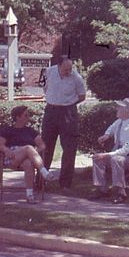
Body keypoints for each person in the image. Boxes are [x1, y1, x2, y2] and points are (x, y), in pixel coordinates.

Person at [41, 55, 86, 190]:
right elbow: (44, 88)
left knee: (69, 148)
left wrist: (68, 104)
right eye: (65, 69)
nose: (68, 72)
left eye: (70, 69)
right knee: (45, 146)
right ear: (58, 66)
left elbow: (82, 96)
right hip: (51, 111)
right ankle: (41, 180)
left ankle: (65, 184)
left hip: (68, 112)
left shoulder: (76, 77)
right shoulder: (48, 72)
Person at [0, 106, 57, 203]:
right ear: (17, 117)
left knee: (28, 163)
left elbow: (42, 146)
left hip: (27, 157)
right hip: (12, 157)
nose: (28, 117)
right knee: (28, 147)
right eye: (26, 115)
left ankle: (30, 195)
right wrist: (6, 149)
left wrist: (33, 153)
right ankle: (44, 172)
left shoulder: (30, 131)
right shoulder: (8, 130)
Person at [89, 98, 129, 204]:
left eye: (120, 107)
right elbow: (111, 128)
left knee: (116, 159)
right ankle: (102, 189)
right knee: (97, 158)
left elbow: (126, 149)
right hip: (119, 152)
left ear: (127, 111)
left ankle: (121, 192)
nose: (117, 108)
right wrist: (106, 135)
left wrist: (106, 154)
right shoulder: (120, 121)